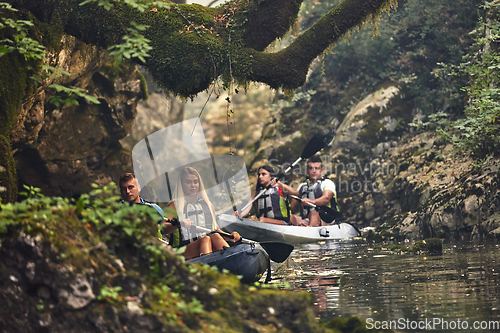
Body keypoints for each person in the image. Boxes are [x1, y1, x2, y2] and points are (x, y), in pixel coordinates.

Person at [166, 166, 241, 259]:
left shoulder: (208, 205)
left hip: (206, 247)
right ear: (181, 184)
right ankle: (208, 268)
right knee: (205, 239)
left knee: (216, 236)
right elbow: (164, 229)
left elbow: (215, 229)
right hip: (181, 251)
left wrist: (230, 237)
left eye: (195, 182)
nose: (193, 185)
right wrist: (177, 224)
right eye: (188, 182)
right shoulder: (174, 206)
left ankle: (233, 261)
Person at [240, 165, 306, 226]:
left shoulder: (280, 188)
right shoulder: (256, 193)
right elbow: (246, 209)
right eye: (259, 174)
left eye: (263, 174)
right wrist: (237, 215)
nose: (260, 177)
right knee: (253, 218)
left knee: (261, 220)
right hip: (264, 223)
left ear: (270, 175)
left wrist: (280, 184)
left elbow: (296, 193)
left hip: (282, 223)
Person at [290, 155, 339, 227]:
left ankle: (309, 230)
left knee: (313, 213)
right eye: (311, 168)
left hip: (326, 219)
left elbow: (326, 199)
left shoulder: (327, 183)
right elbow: (293, 209)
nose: (314, 171)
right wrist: (288, 194)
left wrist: (311, 202)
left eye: (317, 168)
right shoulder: (301, 186)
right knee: (291, 218)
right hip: (307, 219)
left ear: (321, 170)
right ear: (307, 170)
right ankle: (305, 227)